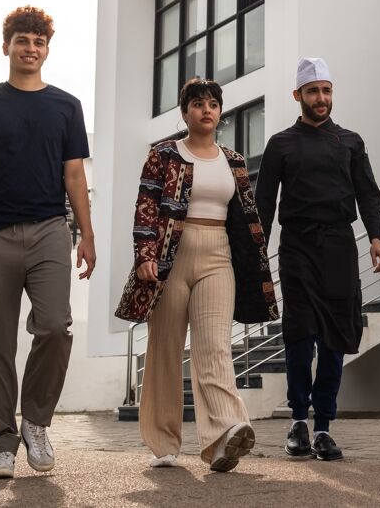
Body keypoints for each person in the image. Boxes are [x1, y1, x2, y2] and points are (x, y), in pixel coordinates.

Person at [0, 6, 96, 480]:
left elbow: (75, 175)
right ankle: (1, 443)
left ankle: (35, 420)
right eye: (22, 40)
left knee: (56, 326)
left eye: (38, 41)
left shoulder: (66, 106)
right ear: (6, 46)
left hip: (50, 231)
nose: (30, 48)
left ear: (47, 49)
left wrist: (87, 234)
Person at [115, 77, 278, 472]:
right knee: (165, 348)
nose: (207, 109)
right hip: (170, 259)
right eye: (198, 103)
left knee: (214, 347)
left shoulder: (233, 160)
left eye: (213, 104)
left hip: (217, 256)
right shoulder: (165, 154)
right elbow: (146, 207)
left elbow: (246, 218)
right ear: (184, 111)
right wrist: (145, 255)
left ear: (219, 112)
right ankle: (164, 442)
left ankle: (225, 435)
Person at [256, 57, 380, 462]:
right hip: (296, 246)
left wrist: (377, 238)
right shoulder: (280, 144)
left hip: (339, 246)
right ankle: (298, 420)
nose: (321, 98)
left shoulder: (350, 141)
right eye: (313, 91)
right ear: (298, 95)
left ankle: (324, 426)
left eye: (326, 90)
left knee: (335, 335)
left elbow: (368, 192)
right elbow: (264, 201)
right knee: (300, 332)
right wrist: (257, 249)